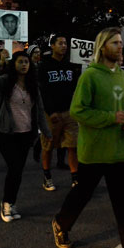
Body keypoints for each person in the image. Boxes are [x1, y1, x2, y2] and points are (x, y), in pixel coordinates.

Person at [51, 28, 124, 248]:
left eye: (121, 43)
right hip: (94, 151)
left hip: (120, 151)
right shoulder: (90, 77)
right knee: (82, 195)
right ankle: (61, 223)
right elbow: (78, 111)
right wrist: (110, 117)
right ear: (102, 46)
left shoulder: (123, 77)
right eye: (115, 43)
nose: (120, 47)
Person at [0, 51, 51, 222]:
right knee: (14, 169)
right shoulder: (7, 81)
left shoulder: (33, 86)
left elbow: (40, 111)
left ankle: (11, 202)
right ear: (14, 64)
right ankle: (6, 204)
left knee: (18, 171)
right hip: (7, 134)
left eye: (26, 62)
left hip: (26, 135)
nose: (24, 65)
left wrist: (47, 132)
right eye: (20, 62)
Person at [38, 34, 80, 190]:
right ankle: (47, 177)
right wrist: (50, 111)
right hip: (51, 114)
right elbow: (42, 90)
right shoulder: (44, 66)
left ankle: (75, 178)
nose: (64, 46)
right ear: (52, 46)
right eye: (60, 43)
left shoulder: (71, 65)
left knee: (72, 146)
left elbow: (76, 87)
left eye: (65, 43)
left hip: (69, 112)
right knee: (48, 146)